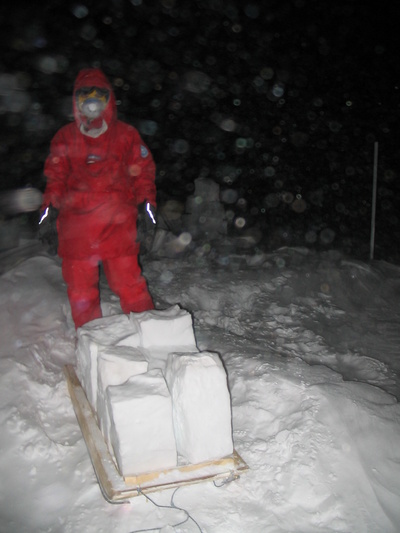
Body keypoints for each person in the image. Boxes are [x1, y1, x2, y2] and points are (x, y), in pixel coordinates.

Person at [40, 67, 157, 329]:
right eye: (85, 95)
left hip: (118, 227)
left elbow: (143, 175)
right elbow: (55, 180)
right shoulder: (65, 137)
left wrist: (146, 209)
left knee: (129, 286)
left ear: (109, 99)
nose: (92, 102)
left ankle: (153, 337)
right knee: (82, 293)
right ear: (76, 100)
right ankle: (92, 345)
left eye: (99, 95)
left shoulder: (126, 136)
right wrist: (48, 214)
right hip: (77, 232)